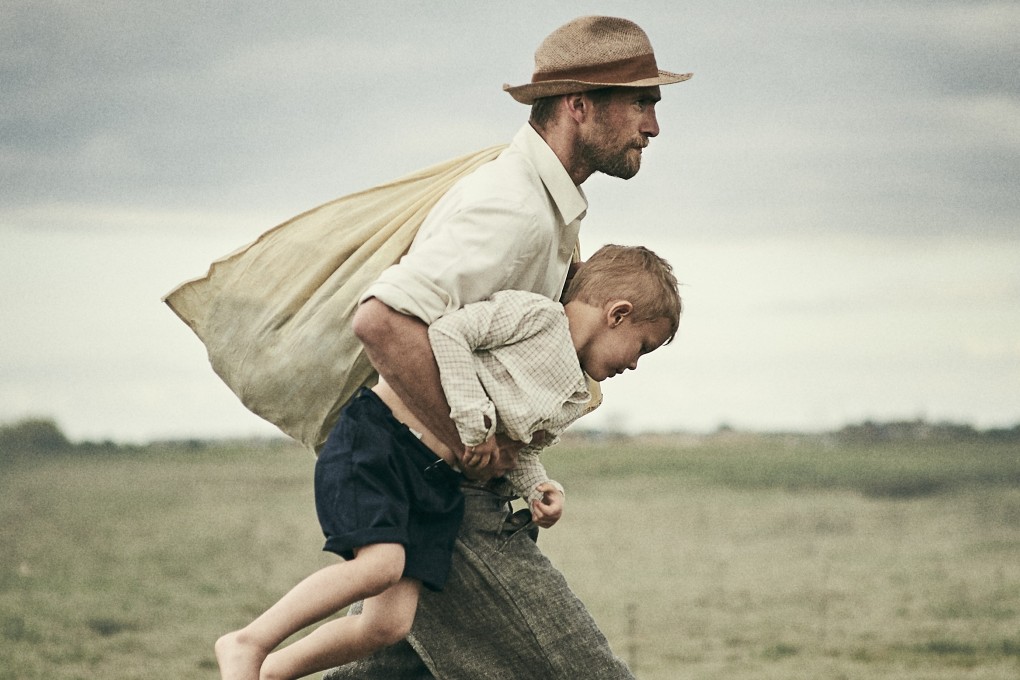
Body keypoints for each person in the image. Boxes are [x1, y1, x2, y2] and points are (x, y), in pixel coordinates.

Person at [326, 15, 692, 679]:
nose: (653, 126)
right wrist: (478, 453)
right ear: (579, 106)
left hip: (437, 487)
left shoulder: (548, 208)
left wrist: (515, 466)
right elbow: (381, 321)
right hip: (445, 489)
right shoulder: (515, 208)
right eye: (642, 103)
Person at [213, 245, 682, 680]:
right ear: (618, 314)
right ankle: (247, 642)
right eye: (642, 347)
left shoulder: (572, 393)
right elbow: (449, 333)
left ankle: (270, 674)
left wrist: (538, 486)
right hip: (386, 446)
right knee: (379, 568)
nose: (636, 365)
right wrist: (470, 422)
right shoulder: (535, 316)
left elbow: (516, 450)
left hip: (436, 487)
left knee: (387, 628)